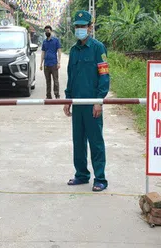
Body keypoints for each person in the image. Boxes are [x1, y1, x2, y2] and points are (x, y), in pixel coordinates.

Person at [63, 10, 110, 192]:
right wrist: (67, 100)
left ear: (90, 27)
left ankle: (100, 178)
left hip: (92, 104)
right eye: (77, 26)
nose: (80, 29)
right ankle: (81, 174)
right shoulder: (74, 51)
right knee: (78, 141)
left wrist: (99, 100)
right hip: (77, 103)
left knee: (96, 141)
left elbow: (104, 76)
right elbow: (70, 76)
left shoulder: (98, 48)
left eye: (83, 26)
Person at [40, 25, 62, 99]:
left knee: (55, 80)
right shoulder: (44, 42)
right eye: (45, 31)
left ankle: (57, 95)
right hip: (46, 64)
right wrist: (41, 63)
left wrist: (59, 62)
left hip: (54, 63)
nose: (47, 32)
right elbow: (43, 52)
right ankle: (48, 95)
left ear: (51, 31)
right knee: (48, 81)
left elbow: (59, 51)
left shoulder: (56, 40)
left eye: (48, 31)